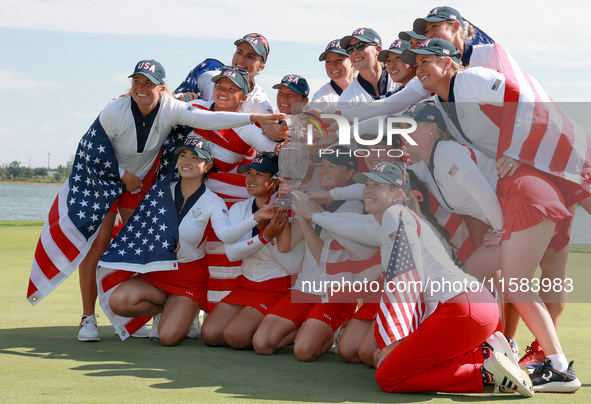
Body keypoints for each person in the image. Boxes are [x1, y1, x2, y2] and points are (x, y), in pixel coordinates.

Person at [27, 59, 284, 343]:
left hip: (143, 182)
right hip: (106, 177)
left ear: (162, 88)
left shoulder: (172, 107)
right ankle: (88, 317)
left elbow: (211, 120)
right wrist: (124, 175)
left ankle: (173, 309)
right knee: (98, 244)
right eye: (137, 81)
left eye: (149, 83)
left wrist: (255, 120)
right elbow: (91, 151)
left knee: (146, 241)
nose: (141, 88)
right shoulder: (115, 108)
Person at [402, 40, 583, 392]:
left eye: (426, 60)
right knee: (473, 273)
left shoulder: (467, 89)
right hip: (526, 195)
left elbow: (523, 96)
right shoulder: (435, 147)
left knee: (516, 283)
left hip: (531, 194)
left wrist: (519, 150)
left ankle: (560, 368)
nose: (403, 135)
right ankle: (494, 344)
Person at [292, 162, 533, 396]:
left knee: (388, 377)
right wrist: (313, 216)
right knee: (390, 365)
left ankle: (484, 372)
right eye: (367, 184)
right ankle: (484, 354)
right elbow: (352, 225)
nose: (368, 190)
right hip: (473, 305)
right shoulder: (393, 219)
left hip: (460, 308)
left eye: (378, 186)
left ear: (398, 194)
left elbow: (408, 280)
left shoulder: (395, 214)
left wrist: (400, 340)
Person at [106, 138, 274, 346]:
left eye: (195, 158)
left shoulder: (212, 201)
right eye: (183, 156)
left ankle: (187, 312)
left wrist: (256, 219)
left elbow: (226, 235)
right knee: (118, 302)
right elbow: (140, 229)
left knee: (168, 338)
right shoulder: (161, 189)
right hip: (156, 273)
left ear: (208, 166)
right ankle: (165, 310)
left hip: (188, 279)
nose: (187, 161)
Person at [252, 146, 366, 362]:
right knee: (262, 343)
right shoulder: (313, 199)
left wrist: (306, 216)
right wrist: (282, 210)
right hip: (306, 287)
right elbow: (286, 245)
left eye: (332, 166)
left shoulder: (354, 206)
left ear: (349, 174)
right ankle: (310, 324)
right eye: (322, 165)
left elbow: (324, 256)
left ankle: (337, 324)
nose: (324, 170)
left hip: (337, 292)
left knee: (304, 351)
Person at [185, 66, 283, 309]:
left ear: (243, 98)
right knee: (185, 253)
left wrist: (286, 140)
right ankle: (182, 311)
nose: (224, 92)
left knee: (220, 262)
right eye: (220, 87)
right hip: (188, 198)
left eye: (232, 89)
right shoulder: (196, 109)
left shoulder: (246, 128)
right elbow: (165, 110)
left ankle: (216, 311)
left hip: (222, 202)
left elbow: (272, 147)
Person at [200, 154, 303, 349]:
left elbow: (290, 265)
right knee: (210, 334)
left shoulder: (293, 212)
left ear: (276, 182)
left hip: (277, 287)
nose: (251, 179)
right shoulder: (240, 208)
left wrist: (273, 222)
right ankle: (260, 326)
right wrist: (265, 234)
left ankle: (290, 326)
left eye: (259, 174)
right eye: (249, 173)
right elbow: (232, 254)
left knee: (235, 336)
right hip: (246, 285)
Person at [175, 33, 285, 141]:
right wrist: (182, 98)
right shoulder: (208, 71)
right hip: (190, 149)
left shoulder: (259, 99)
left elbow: (270, 128)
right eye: (239, 52)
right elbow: (170, 101)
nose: (241, 60)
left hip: (227, 157)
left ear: (261, 66)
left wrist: (284, 132)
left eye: (250, 56)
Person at [338, 28, 399, 109]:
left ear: (378, 50)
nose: (355, 52)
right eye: (350, 49)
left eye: (360, 46)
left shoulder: (400, 79)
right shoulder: (347, 98)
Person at [311, 39, 355, 109]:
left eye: (339, 60)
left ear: (352, 62)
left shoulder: (367, 88)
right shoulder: (321, 98)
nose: (333, 65)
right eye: (328, 61)